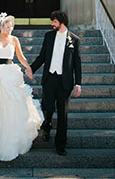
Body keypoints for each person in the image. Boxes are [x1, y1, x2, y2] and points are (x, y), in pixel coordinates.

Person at [0, 13, 44, 162]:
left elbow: (21, 57)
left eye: (11, 26)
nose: (10, 29)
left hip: (10, 73)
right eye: (7, 26)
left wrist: (29, 68)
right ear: (0, 26)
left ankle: (12, 138)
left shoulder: (14, 40)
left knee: (12, 105)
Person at [27, 10, 82, 156]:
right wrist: (31, 69)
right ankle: (47, 124)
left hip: (65, 82)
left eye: (55, 22)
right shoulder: (49, 36)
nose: (52, 24)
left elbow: (77, 64)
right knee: (48, 107)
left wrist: (78, 84)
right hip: (50, 78)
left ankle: (60, 145)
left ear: (62, 23)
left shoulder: (74, 40)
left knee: (63, 114)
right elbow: (42, 56)